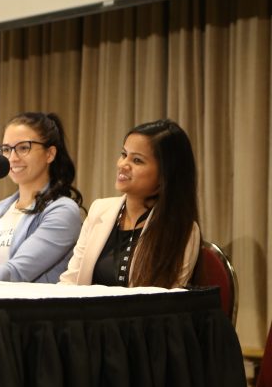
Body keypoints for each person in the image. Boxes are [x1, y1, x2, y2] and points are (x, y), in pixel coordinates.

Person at [59, 119, 200, 288]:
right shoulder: (99, 210)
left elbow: (168, 302)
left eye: (137, 160)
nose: (123, 165)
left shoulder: (182, 229)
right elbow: (71, 281)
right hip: (87, 313)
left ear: (166, 174)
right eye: (124, 154)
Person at [0, 112, 83, 282]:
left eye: (23, 147)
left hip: (31, 307)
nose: (12, 158)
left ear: (50, 154)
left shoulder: (63, 211)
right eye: (7, 149)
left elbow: (18, 270)